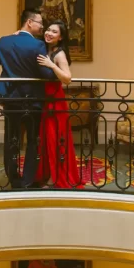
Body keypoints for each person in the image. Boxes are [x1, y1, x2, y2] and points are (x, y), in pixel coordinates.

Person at [0, 8, 55, 189]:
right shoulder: (38, 45)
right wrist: (54, 68)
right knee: (33, 140)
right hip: (33, 99)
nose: (42, 27)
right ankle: (27, 181)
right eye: (40, 23)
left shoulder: (4, 41)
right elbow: (46, 74)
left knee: (12, 138)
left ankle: (13, 178)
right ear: (29, 22)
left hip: (10, 98)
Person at [35, 20, 84, 188]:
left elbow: (67, 78)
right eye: (48, 30)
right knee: (46, 139)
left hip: (55, 101)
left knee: (55, 139)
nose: (49, 33)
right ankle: (48, 174)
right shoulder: (45, 48)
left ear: (61, 37)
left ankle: (55, 178)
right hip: (45, 99)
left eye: (54, 32)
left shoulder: (59, 54)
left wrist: (51, 65)